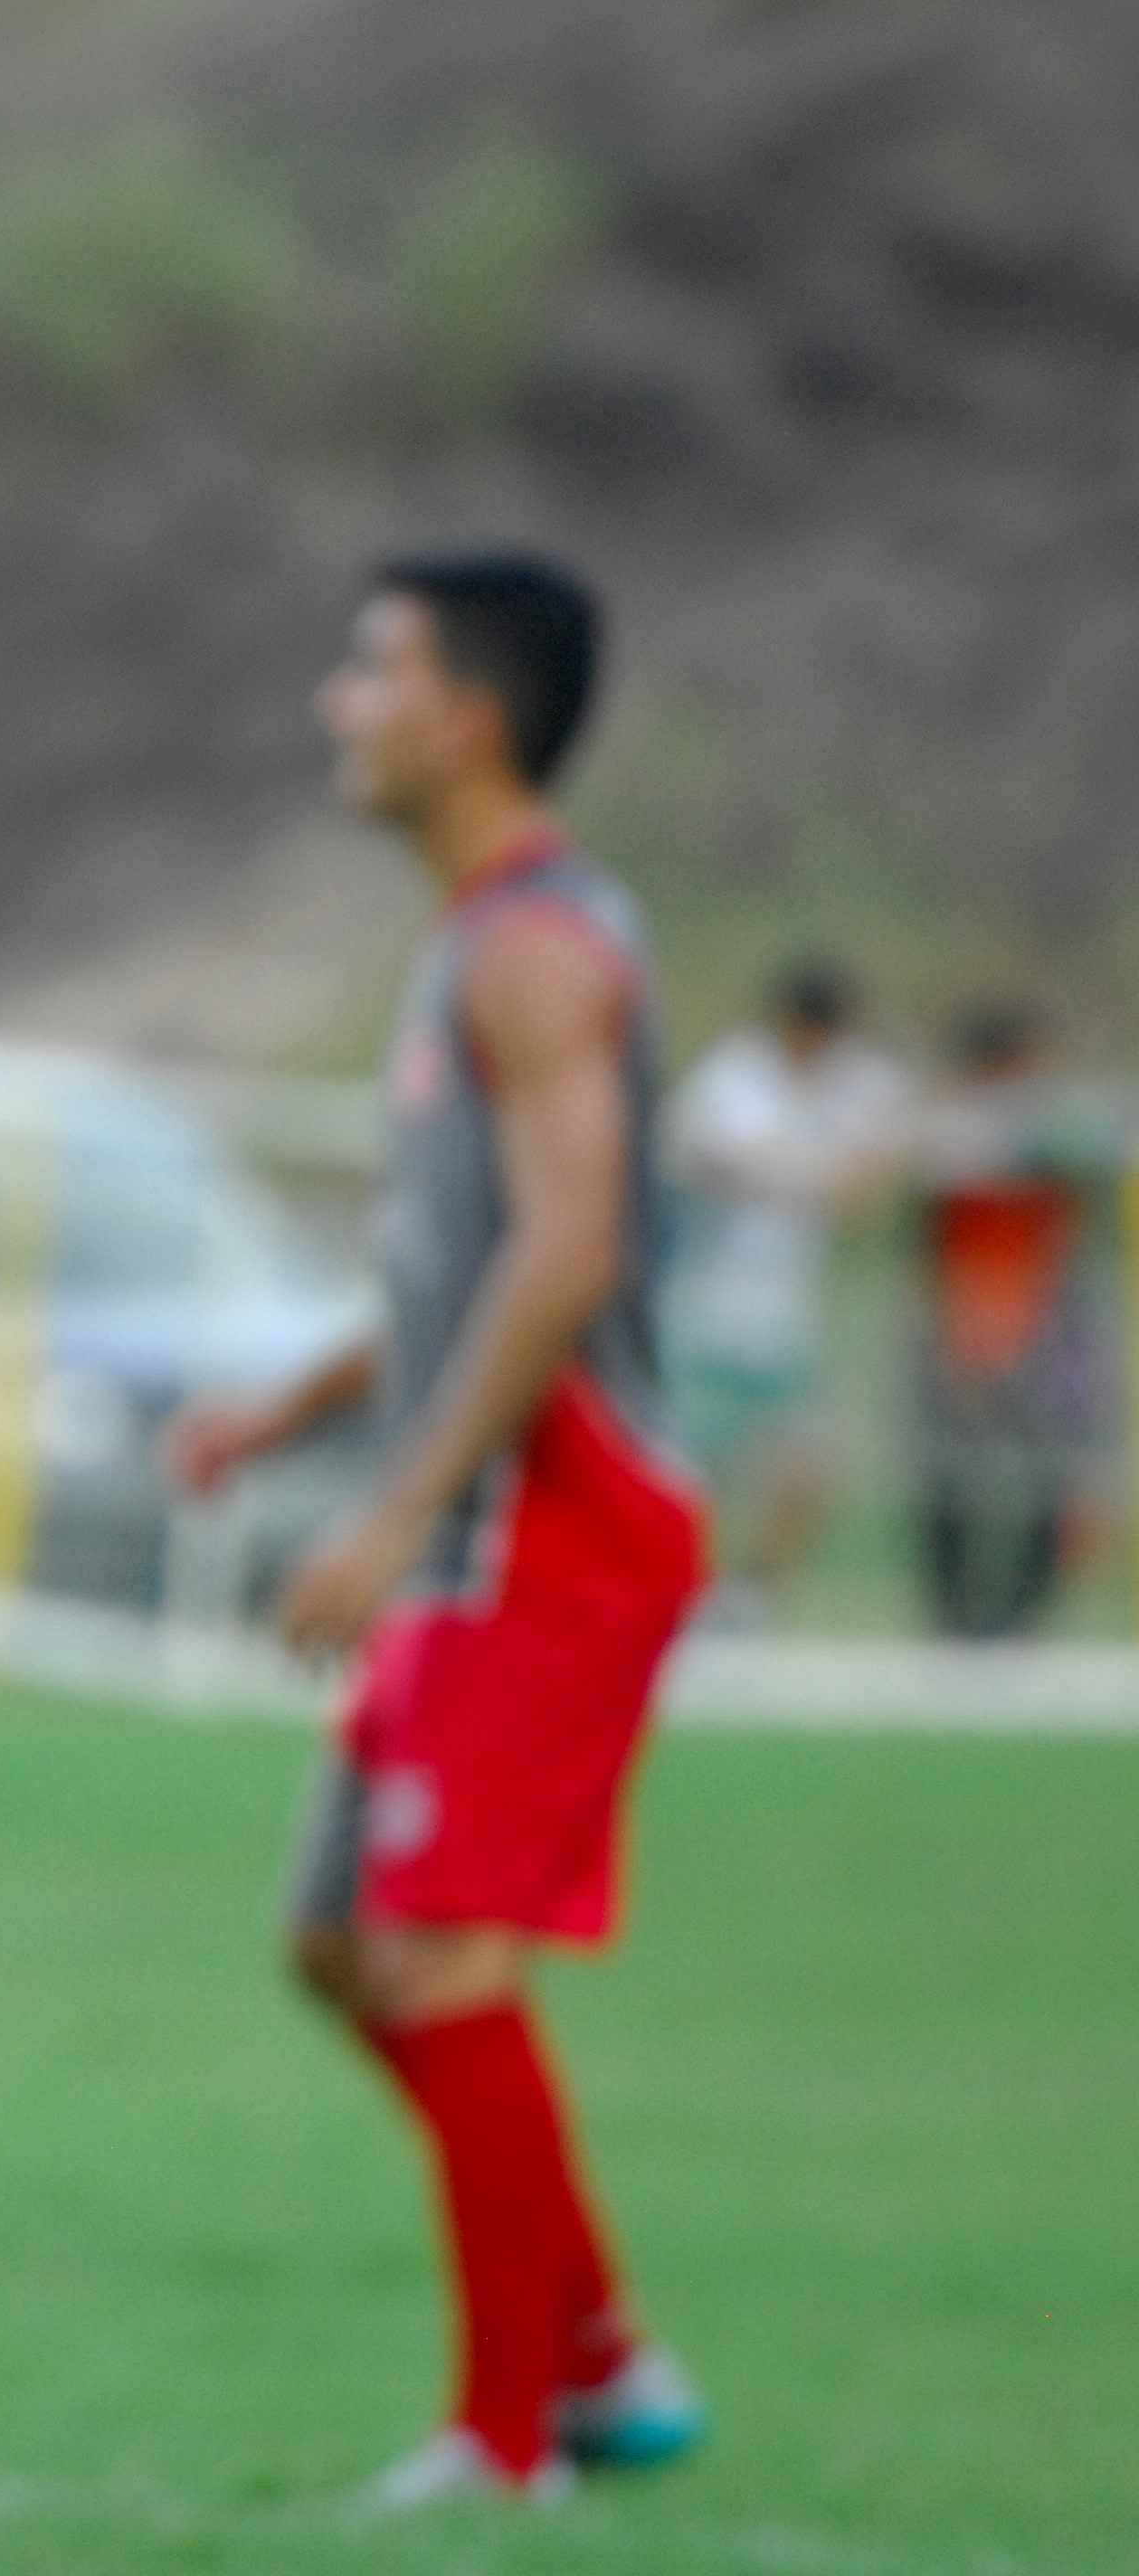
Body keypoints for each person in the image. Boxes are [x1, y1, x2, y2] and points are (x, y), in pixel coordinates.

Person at [166, 550, 707, 2506]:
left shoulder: (536, 947)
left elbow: (565, 1250)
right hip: (473, 1524)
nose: (339, 702)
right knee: (337, 1942)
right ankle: (600, 2355)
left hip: (548, 1532)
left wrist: (390, 1509)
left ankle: (509, 2446)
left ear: (462, 716)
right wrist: (288, 1411)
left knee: (439, 1968)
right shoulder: (476, 936)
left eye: (369, 666)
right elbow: (463, 1266)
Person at [658, 958, 910, 1623]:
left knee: (810, 1459)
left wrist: (781, 1176)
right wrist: (807, 1179)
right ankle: (687, 1590)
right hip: (707, 1300)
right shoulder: (734, 1073)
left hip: (793, 1308)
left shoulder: (862, 1082)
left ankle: (755, 1591)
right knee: (691, 1463)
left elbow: (863, 1186)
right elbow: (693, 1157)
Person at [907, 1000, 1120, 1639]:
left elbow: (1085, 1156)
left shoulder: (1056, 1121)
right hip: (965, 1318)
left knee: (1052, 1476)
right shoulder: (947, 1126)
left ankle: (1021, 1616)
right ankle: (954, 1617)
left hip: (1045, 1321)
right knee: (946, 1472)